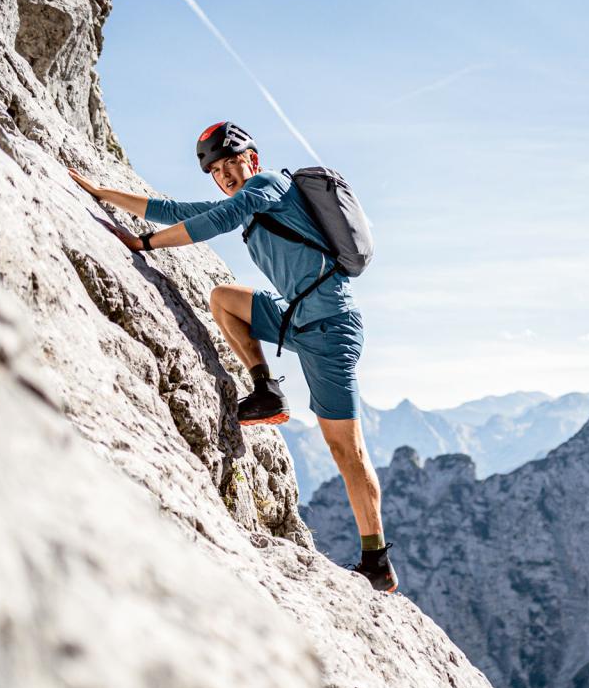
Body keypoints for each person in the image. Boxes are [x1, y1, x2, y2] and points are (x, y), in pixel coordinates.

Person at [67, 122, 398, 593]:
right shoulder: (248, 204)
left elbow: (211, 222)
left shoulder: (267, 186)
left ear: (253, 161)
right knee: (224, 298)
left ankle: (376, 560)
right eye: (216, 170)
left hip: (330, 332)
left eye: (231, 163)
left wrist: (143, 244)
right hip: (293, 317)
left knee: (347, 450)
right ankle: (266, 390)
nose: (225, 175)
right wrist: (102, 192)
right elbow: (179, 210)